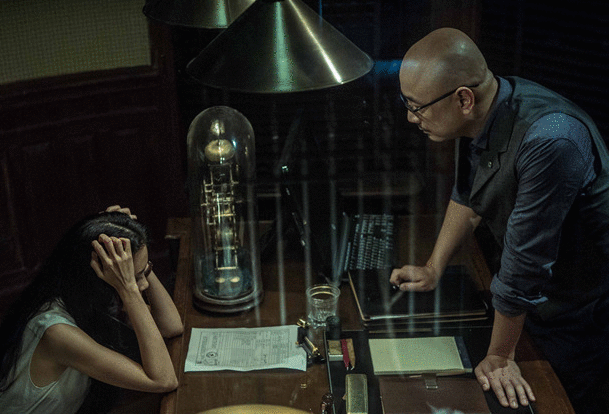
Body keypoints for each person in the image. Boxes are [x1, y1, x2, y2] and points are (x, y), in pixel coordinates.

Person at [390, 28, 609, 413]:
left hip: (582, 310)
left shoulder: (551, 139)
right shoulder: (487, 109)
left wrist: (500, 356)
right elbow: (469, 195)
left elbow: (525, 264)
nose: (411, 117)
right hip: (535, 298)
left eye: (417, 106)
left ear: (463, 99)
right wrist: (433, 268)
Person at [0, 205, 184, 414]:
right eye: (134, 277)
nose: (143, 285)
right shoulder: (56, 332)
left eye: (144, 273)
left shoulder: (87, 300)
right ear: (98, 273)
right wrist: (129, 289)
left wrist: (132, 237)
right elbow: (164, 380)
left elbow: (171, 326)